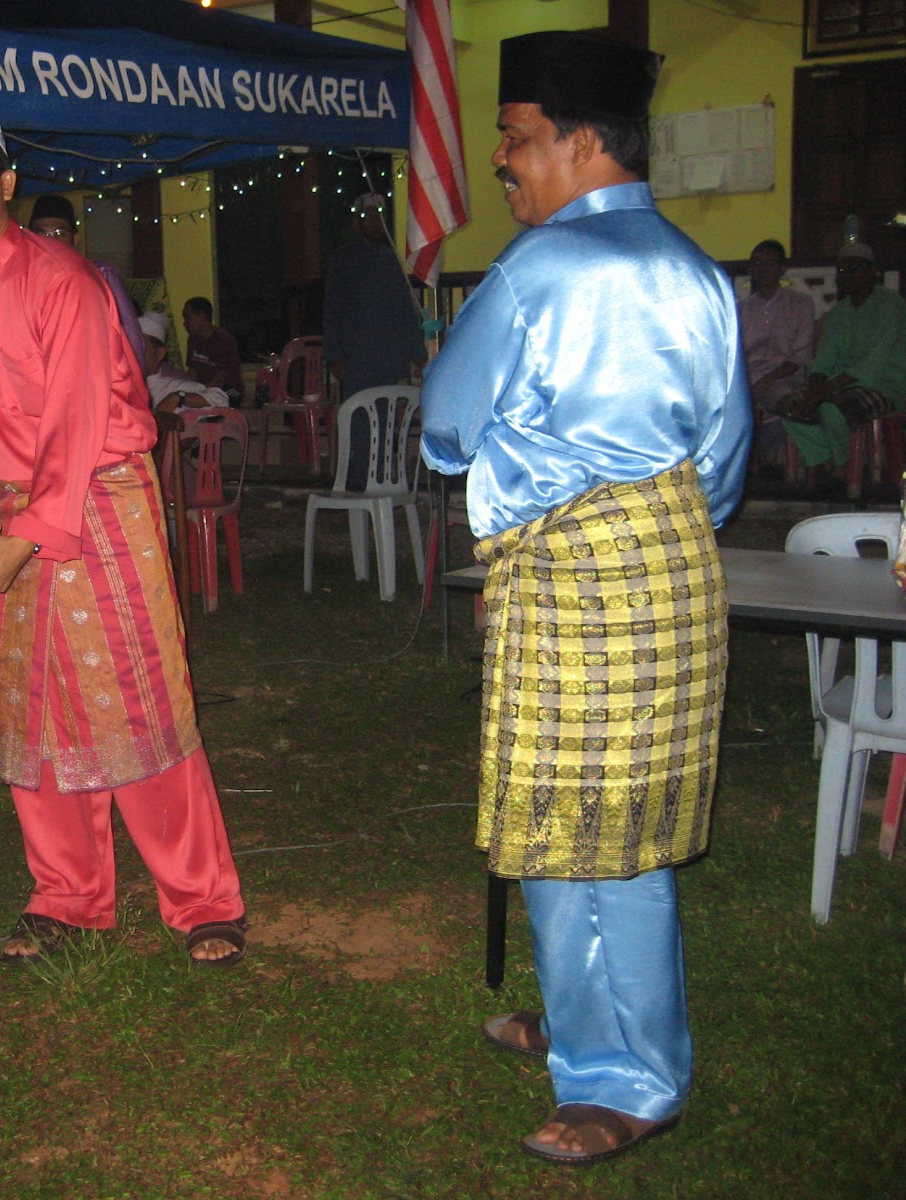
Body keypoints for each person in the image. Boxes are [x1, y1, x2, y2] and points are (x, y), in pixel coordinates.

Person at [420, 32, 750, 1166]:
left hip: (569, 575)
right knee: (629, 825)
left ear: (582, 142)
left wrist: (538, 480)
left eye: (516, 140)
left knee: (569, 829)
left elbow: (446, 431)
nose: (504, 163)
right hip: (671, 568)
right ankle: (588, 1022)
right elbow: (726, 466)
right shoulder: (702, 276)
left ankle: (628, 1077)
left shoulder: (537, 273)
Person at [0, 99, 247, 966]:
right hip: (3, 510)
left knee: (136, 702)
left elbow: (79, 419)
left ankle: (200, 901)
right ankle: (69, 896)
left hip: (98, 503)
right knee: (33, 714)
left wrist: (28, 536)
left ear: (5, 182)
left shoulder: (63, 281)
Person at [783, 242, 906, 470]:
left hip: (885, 385)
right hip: (839, 384)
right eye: (842, 270)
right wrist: (813, 391)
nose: (848, 275)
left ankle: (844, 469)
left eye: (855, 268)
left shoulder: (892, 305)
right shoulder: (839, 312)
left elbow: (872, 364)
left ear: (872, 272)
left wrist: (821, 394)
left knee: (831, 409)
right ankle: (826, 461)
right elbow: (824, 359)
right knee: (791, 408)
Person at [322, 193, 428, 395]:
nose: (375, 223)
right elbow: (332, 310)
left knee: (389, 416)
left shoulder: (390, 259)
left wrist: (417, 351)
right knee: (359, 416)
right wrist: (334, 356)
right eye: (369, 217)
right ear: (357, 222)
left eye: (379, 217)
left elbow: (404, 307)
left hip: (391, 356)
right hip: (356, 359)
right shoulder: (342, 260)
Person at [27, 193, 147, 370]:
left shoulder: (101, 277)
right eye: (41, 234)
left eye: (59, 233)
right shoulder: (18, 283)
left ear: (75, 240)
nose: (50, 241)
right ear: (29, 240)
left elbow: (132, 348)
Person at [738, 238, 814, 465]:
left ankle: (774, 463)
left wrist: (765, 382)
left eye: (770, 263)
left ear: (782, 269)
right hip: (749, 380)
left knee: (783, 401)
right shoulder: (741, 309)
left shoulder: (800, 304)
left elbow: (800, 355)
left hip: (785, 378)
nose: (762, 269)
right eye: (758, 263)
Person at [138, 311, 230, 413]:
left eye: (140, 348)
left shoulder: (172, 387)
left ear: (159, 353)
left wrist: (178, 398)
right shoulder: (123, 384)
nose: (133, 353)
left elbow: (220, 399)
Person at [181, 295, 244, 401]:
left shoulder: (224, 340)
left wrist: (199, 394)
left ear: (202, 317)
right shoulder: (193, 339)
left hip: (227, 390)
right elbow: (192, 370)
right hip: (204, 389)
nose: (185, 323)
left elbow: (220, 377)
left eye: (188, 317)